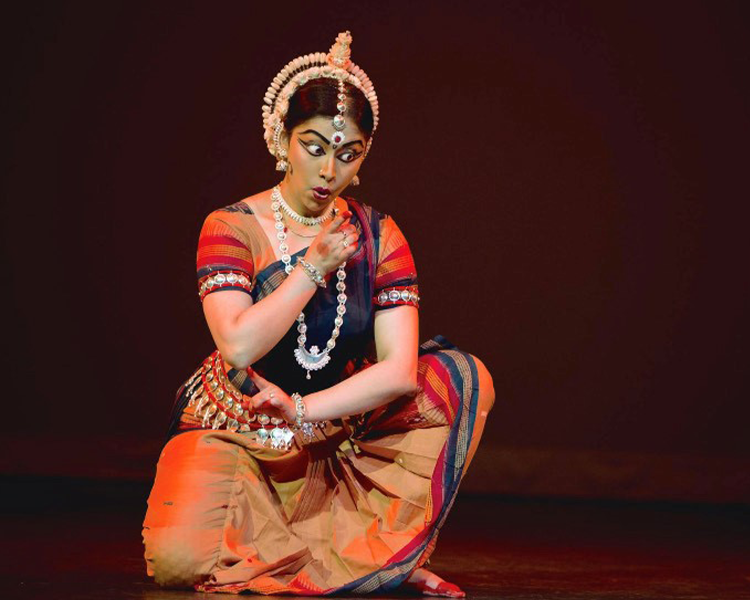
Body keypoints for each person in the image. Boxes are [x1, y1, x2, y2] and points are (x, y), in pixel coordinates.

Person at [141, 31, 495, 597]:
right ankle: (368, 566)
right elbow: (237, 346)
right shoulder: (231, 226)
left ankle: (380, 562)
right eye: (314, 146)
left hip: (329, 433)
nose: (329, 169)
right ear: (282, 138)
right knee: (183, 559)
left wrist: (304, 409)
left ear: (363, 157)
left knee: (454, 378)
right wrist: (313, 264)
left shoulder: (380, 235)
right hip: (233, 427)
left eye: (347, 153)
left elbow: (399, 369)